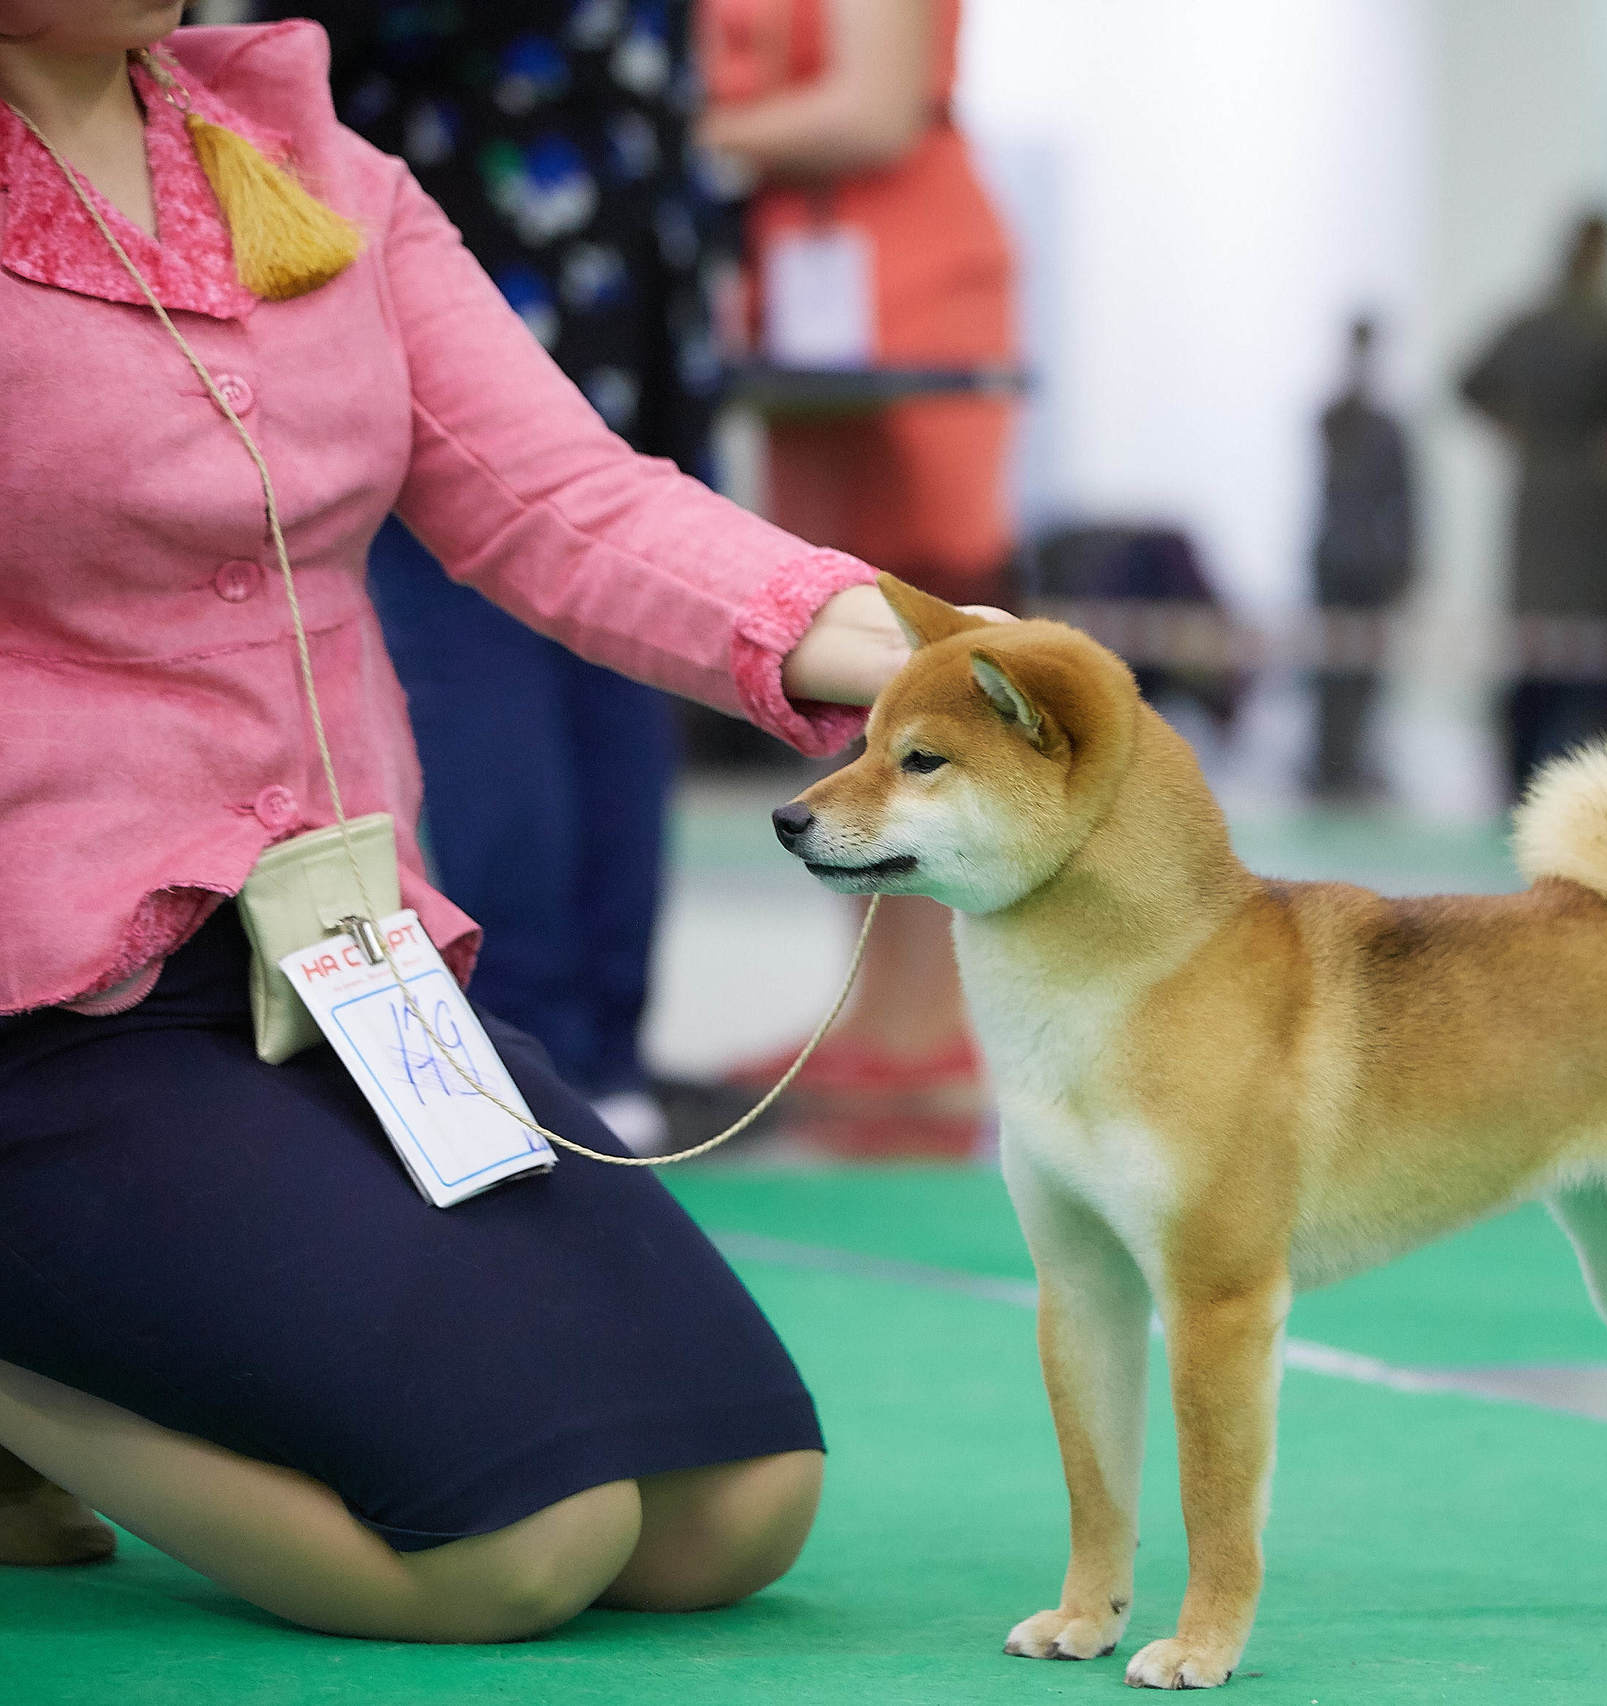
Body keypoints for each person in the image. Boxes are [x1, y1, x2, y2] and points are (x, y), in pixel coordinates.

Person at [0, 7, 944, 1640]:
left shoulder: (316, 165)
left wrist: (923, 649)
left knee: (736, 1507)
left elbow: (567, 500)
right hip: (46, 1006)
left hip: (335, 963)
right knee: (509, 1546)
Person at [260, 0, 730, 1152]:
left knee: (484, 665)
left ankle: (538, 1053)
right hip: (630, 264)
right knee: (615, 654)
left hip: (485, 241)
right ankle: (601, 1053)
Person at [697, 0, 1012, 1132]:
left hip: (908, 284)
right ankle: (882, 1015)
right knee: (845, 655)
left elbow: (872, 111)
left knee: (916, 648)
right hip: (807, 280)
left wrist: (684, 133)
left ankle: (926, 1024)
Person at [1461, 210, 1607, 799]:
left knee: (1538, 675)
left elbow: (1468, 385)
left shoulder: (1527, 327)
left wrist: (1524, 434)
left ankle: (1512, 799)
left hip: (1542, 530)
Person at [1306, 315, 1415, 802]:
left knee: (1366, 671)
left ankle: (1352, 759)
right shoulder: (1338, 418)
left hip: (1369, 563)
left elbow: (1406, 503)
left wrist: (1406, 562)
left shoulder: (1385, 428)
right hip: (1340, 561)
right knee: (1332, 667)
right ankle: (1330, 761)